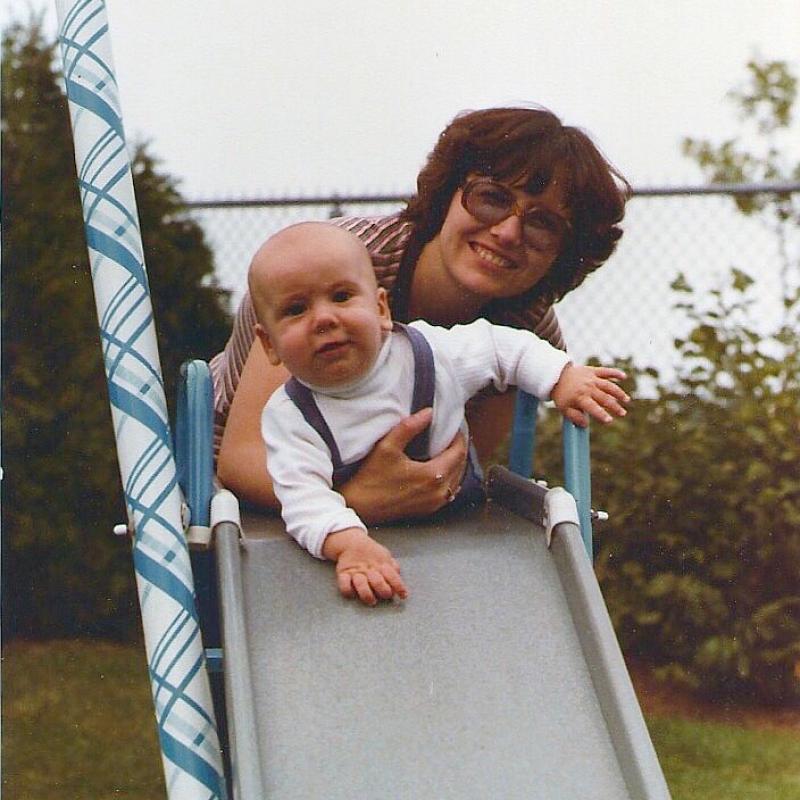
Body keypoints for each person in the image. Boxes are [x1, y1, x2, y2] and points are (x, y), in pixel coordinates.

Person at [211, 105, 630, 521]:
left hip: (390, 514)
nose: (507, 232)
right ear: (448, 193)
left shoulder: (527, 330)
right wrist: (354, 504)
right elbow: (243, 458)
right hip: (243, 496)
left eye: (542, 223)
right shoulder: (336, 269)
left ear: (564, 252)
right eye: (491, 198)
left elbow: (451, 466)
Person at [250, 222, 629, 605]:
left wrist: (560, 377)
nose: (324, 319)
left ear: (380, 308)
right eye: (296, 310)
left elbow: (499, 348)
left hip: (462, 528)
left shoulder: (427, 352)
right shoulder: (291, 417)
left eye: (342, 296)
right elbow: (303, 499)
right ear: (270, 345)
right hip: (368, 535)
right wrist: (349, 545)